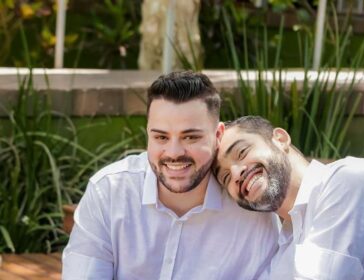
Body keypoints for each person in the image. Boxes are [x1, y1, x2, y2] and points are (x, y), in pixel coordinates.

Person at [62, 72, 278, 279]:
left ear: (218, 135)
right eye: (161, 137)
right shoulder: (109, 192)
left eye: (190, 137)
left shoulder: (254, 212)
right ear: (148, 133)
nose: (174, 153)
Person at [214, 115, 364, 280]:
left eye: (242, 152)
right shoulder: (286, 246)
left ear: (280, 139)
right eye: (225, 178)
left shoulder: (350, 180)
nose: (236, 174)